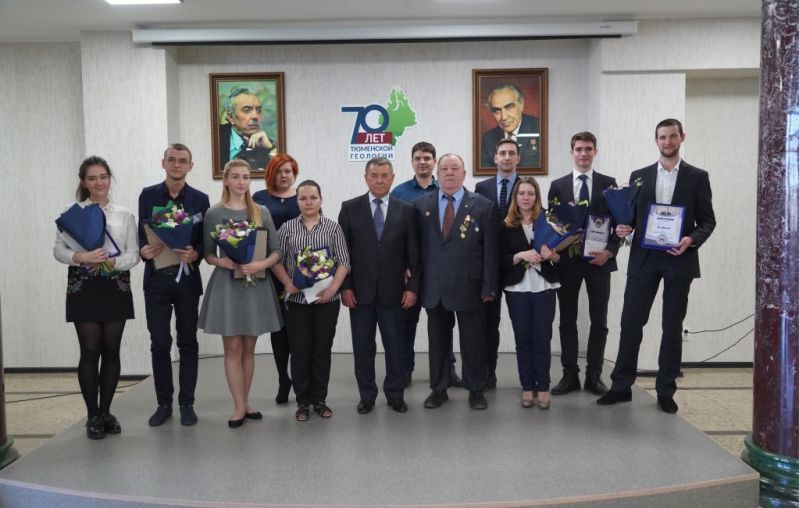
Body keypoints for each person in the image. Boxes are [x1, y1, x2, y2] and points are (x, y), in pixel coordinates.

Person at [598, 118, 716, 414]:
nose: (667, 142)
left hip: (679, 258)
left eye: (672, 136)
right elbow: (631, 219)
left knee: (672, 326)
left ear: (682, 137)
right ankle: (621, 386)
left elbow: (707, 221)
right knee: (630, 323)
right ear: (656, 140)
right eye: (662, 137)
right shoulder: (639, 177)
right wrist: (623, 228)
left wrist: (691, 239)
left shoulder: (697, 177)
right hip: (644, 259)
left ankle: (666, 390)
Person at [53, 156, 139, 439]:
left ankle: (106, 412)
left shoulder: (124, 215)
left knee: (111, 350)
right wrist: (81, 257)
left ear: (110, 179)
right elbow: (58, 251)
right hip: (83, 286)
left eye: (103, 177)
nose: (98, 183)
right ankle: (92, 416)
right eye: (92, 178)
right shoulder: (71, 214)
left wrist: (114, 262)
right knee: (90, 351)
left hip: (115, 285)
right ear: (84, 182)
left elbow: (133, 254)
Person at [198, 159, 283, 428]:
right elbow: (207, 253)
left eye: (245, 177)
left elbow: (276, 251)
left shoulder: (261, 211)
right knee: (232, 347)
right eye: (235, 177)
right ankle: (237, 406)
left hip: (256, 284)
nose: (241, 182)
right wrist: (221, 261)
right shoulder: (214, 214)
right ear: (226, 180)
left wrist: (260, 264)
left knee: (249, 348)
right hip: (227, 286)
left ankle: (246, 402)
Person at [414, 154, 498, 410]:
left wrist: (489, 286)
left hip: (470, 286)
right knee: (438, 341)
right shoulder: (420, 205)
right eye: (444, 169)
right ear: (437, 174)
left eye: (455, 168)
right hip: (435, 287)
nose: (449, 173)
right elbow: (415, 250)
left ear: (464, 174)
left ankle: (476, 389)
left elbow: (491, 252)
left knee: (473, 341)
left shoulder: (483, 206)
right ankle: (438, 389)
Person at [339, 157, 420, 414]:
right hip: (359, 293)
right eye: (374, 175)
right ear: (366, 178)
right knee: (363, 347)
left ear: (392, 178)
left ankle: (395, 394)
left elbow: (414, 254)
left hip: (395, 293)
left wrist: (412, 288)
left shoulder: (406, 210)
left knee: (395, 347)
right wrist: (345, 287)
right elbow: (343, 253)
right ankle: (367, 396)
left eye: (385, 175)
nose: (379, 180)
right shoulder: (349, 208)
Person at [138, 143, 210, 427]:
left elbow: (205, 240)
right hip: (156, 279)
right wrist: (143, 250)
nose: (176, 165)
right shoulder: (148, 195)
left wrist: (196, 253)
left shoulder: (200, 200)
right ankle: (164, 404)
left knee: (188, 342)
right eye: (172, 160)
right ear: (163, 163)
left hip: (187, 280)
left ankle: (187, 403)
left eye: (182, 160)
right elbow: (142, 233)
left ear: (191, 166)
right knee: (159, 344)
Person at [272, 180, 350, 421]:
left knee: (322, 349)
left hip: (327, 300)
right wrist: (287, 283)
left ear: (320, 199)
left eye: (313, 198)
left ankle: (320, 400)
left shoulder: (333, 228)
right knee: (300, 350)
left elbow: (344, 262)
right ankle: (302, 402)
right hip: (297, 301)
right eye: (303, 198)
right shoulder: (286, 228)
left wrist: (333, 289)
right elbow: (276, 260)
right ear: (297, 201)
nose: (308, 202)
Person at [548, 132, 619, 396]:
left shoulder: (609, 185)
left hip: (599, 262)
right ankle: (570, 375)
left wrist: (609, 252)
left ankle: (594, 376)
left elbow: (619, 224)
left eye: (588, 149)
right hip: (567, 263)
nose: (583, 153)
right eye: (578, 149)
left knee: (599, 321)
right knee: (567, 320)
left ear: (595, 152)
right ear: (572, 152)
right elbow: (552, 224)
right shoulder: (557, 186)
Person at [390, 141, 461, 388]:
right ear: (412, 162)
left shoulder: (447, 188)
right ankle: (405, 370)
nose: (422, 162)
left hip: (437, 270)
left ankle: (448, 370)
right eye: (418, 158)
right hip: (410, 271)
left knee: (443, 323)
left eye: (427, 158)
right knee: (406, 324)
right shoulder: (399, 192)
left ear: (434, 162)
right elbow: (393, 233)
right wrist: (401, 265)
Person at [499, 176, 560, 409]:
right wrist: (520, 255)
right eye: (522, 193)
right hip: (517, 289)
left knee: (542, 338)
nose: (526, 197)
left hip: (544, 287)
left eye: (531, 193)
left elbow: (561, 259)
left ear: (537, 197)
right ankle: (527, 386)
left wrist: (552, 256)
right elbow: (500, 260)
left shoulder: (549, 221)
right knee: (523, 339)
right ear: (515, 197)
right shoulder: (505, 225)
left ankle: (543, 387)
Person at [253, 154, 301, 404]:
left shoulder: (303, 196)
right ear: (271, 173)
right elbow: (251, 233)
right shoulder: (259, 198)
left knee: (299, 330)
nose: (284, 175)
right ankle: (284, 378)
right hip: (270, 271)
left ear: (294, 174)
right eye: (279, 171)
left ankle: (301, 381)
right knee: (279, 329)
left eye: (288, 171)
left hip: (302, 272)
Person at [475, 138, 520, 389]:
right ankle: (487, 371)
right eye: (502, 153)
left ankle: (528, 377)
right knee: (488, 323)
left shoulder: (526, 187)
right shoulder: (481, 188)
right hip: (489, 266)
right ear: (495, 158)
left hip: (517, 265)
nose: (506, 157)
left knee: (522, 322)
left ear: (518, 158)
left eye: (511, 153)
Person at [480, 83, 540, 168]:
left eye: (509, 107)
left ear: (521, 105)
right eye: (497, 110)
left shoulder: (539, 129)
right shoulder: (488, 139)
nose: (504, 117)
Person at [218, 86, 276, 172]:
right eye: (247, 110)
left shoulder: (266, 143)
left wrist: (270, 148)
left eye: (258, 110)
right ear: (231, 117)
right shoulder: (217, 136)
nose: (255, 116)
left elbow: (280, 172)